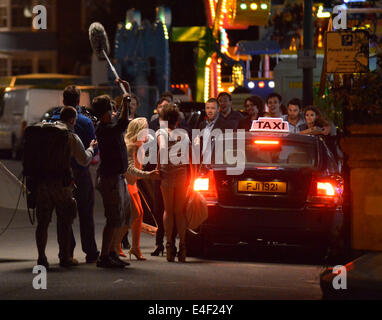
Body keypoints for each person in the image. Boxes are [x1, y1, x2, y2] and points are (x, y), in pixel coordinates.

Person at [34, 107, 97, 269]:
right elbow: (83, 160)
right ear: (71, 120)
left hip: (42, 183)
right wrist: (91, 147)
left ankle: (41, 256)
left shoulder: (45, 133)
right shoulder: (70, 136)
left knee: (43, 222)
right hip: (62, 184)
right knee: (65, 221)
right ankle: (65, 256)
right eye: (75, 120)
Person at [52, 85, 100, 265]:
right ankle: (90, 251)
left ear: (63, 100)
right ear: (78, 101)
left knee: (63, 215)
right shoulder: (85, 122)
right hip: (80, 173)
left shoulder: (54, 120)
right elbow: (93, 153)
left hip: (59, 175)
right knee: (85, 212)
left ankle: (65, 251)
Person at [91, 80, 132, 268]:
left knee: (121, 217)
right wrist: (125, 101)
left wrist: (127, 94)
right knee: (114, 218)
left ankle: (113, 252)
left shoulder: (109, 125)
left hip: (118, 177)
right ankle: (105, 255)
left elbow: (121, 121)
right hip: (111, 179)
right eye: (111, 108)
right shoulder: (104, 129)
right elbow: (123, 123)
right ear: (106, 111)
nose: (113, 111)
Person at [117, 118, 159, 261]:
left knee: (139, 214)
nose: (148, 131)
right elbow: (130, 168)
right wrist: (148, 175)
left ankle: (135, 247)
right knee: (132, 216)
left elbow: (138, 167)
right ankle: (114, 245)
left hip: (132, 184)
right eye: (145, 128)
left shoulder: (139, 145)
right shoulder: (130, 146)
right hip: (127, 184)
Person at [157, 103, 190, 262]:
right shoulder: (183, 133)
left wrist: (158, 168)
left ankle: (169, 246)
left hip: (166, 174)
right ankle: (183, 247)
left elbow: (161, 151)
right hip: (182, 173)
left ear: (163, 118)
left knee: (168, 211)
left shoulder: (161, 133)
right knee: (180, 211)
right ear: (177, 120)